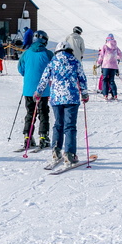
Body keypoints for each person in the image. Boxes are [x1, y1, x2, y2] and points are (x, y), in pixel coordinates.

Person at [35, 40, 90, 168]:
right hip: (72, 98)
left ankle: (56, 150)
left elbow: (44, 78)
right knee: (70, 126)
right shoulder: (75, 61)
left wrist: (38, 92)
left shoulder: (53, 62)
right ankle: (69, 154)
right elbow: (82, 78)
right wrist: (85, 94)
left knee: (58, 124)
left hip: (56, 98)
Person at [18, 31, 53, 150]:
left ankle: (27, 136)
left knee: (30, 112)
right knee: (43, 112)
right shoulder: (48, 54)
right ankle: (43, 136)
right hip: (43, 90)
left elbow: (21, 68)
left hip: (28, 89)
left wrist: (28, 75)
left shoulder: (26, 53)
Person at [96, 33, 122, 101]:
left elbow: (101, 55)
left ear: (107, 39)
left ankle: (105, 95)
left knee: (105, 80)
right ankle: (115, 95)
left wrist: (98, 62)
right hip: (114, 66)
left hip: (106, 65)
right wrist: (117, 58)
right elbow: (120, 54)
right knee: (112, 81)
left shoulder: (105, 46)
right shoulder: (116, 47)